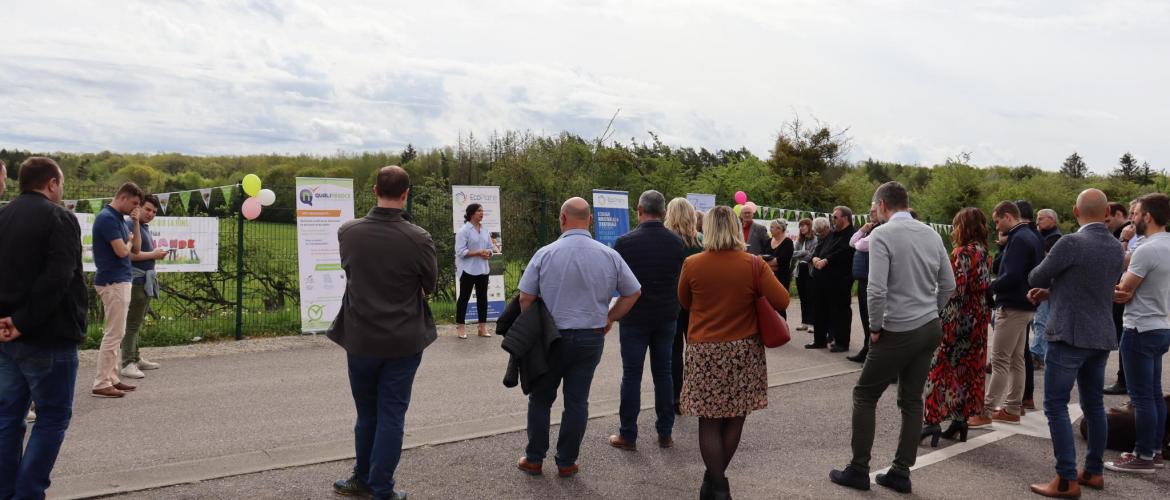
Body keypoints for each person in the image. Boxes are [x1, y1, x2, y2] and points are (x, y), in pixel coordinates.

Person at [829, 182, 955, 494]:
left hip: (898, 327)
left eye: (875, 209)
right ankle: (901, 471)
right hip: (929, 325)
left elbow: (875, 288)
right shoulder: (930, 233)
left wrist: (874, 327)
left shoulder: (882, 234)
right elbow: (948, 282)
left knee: (865, 395)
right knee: (911, 399)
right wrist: (932, 309)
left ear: (883, 205)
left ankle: (859, 468)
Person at [328, 166, 437, 500]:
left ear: (374, 189)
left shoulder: (348, 232)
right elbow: (429, 285)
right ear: (406, 193)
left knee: (367, 413)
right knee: (392, 414)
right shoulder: (419, 238)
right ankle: (382, 490)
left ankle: (361, 478)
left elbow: (352, 269)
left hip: (360, 338)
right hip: (403, 340)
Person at [516, 197, 641, 478]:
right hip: (590, 337)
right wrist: (610, 317)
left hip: (550, 339)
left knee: (540, 399)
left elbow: (526, 297)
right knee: (577, 401)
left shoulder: (545, 253)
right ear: (591, 220)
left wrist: (536, 326)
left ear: (562, 218)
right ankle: (567, 461)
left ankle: (534, 458)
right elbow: (633, 292)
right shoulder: (609, 255)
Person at [678, 206, 789, 500]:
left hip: (705, 352)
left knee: (709, 420)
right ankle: (717, 483)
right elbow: (782, 299)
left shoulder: (692, 263)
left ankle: (716, 484)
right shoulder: (754, 264)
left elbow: (684, 302)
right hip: (743, 351)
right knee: (736, 416)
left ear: (709, 230)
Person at [1025, 189, 1124, 498]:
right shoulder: (1115, 247)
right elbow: (1090, 286)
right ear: (1107, 210)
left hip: (1069, 334)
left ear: (1074, 211)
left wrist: (1045, 285)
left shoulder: (1070, 242)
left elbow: (1036, 275)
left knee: (1055, 404)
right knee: (1094, 405)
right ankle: (1094, 471)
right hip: (1101, 334)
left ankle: (1066, 478)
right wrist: (1053, 291)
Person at [0, 158, 88, 500]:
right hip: (48, 338)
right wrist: (23, 322)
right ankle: (28, 493)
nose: (61, 190)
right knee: (51, 418)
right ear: (51, 183)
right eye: (61, 184)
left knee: (7, 419)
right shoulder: (60, 218)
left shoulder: (3, 216)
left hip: (5, 337)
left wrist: (9, 322)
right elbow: (58, 278)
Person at [609, 190, 685, 451]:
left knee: (631, 375)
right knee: (663, 374)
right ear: (664, 214)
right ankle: (665, 432)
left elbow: (618, 284)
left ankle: (627, 435)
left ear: (638, 210)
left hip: (634, 317)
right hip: (666, 316)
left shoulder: (624, 243)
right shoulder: (677, 243)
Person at [1106, 192, 1170, 473]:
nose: (1132, 218)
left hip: (1140, 327)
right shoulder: (1166, 245)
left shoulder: (1147, 250)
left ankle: (1142, 455)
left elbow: (1123, 291)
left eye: (1136, 213)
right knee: (1154, 394)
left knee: (1142, 397)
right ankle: (1153, 450)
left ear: (1149, 216)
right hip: (1162, 325)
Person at [921, 208, 992, 445]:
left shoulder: (962, 252)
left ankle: (931, 421)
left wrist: (942, 321)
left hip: (958, 317)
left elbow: (955, 291)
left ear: (962, 227)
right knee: (968, 369)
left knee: (939, 368)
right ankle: (960, 420)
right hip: (978, 317)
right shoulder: (984, 251)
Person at [969, 201, 1043, 427]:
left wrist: (990, 287)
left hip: (1012, 305)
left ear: (1008, 216)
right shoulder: (1032, 236)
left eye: (998, 220)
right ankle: (1012, 407)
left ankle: (986, 411)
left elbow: (1011, 275)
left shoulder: (1018, 239)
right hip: (1026, 304)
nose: (997, 226)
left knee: (1000, 359)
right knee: (1017, 358)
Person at [91, 182, 145, 398]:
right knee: (113, 334)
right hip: (113, 281)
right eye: (134, 203)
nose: (135, 208)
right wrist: (130, 240)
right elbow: (123, 251)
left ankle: (112, 377)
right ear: (122, 197)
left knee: (118, 332)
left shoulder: (120, 219)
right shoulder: (107, 218)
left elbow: (137, 250)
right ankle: (101, 382)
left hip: (120, 279)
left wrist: (136, 224)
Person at [119, 195, 169, 379]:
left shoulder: (142, 227)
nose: (151, 214)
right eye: (147, 209)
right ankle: (127, 363)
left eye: (154, 212)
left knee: (137, 321)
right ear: (138, 208)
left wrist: (153, 255)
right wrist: (153, 255)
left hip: (144, 282)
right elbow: (129, 255)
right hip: (135, 282)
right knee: (131, 323)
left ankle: (135, 357)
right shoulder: (127, 225)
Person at [664, 198, 704, 415]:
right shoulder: (700, 242)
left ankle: (675, 398)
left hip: (671, 303)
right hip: (697, 303)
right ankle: (697, 395)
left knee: (673, 352)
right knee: (696, 349)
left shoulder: (665, 241)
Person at [809, 206, 856, 353]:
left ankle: (842, 343)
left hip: (840, 279)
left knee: (840, 311)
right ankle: (819, 340)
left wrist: (827, 260)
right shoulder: (832, 233)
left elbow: (845, 251)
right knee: (819, 309)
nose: (833, 220)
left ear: (845, 218)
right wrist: (815, 257)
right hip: (821, 278)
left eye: (835, 217)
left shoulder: (852, 235)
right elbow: (819, 246)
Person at [454, 203, 494, 339]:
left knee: (483, 298)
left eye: (482, 211)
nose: (482, 213)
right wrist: (477, 253)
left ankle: (482, 327)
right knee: (464, 298)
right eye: (479, 211)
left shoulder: (484, 230)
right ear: (471, 213)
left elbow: (490, 248)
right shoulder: (463, 231)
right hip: (468, 270)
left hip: (483, 269)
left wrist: (488, 253)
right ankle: (460, 326)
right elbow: (460, 252)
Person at [846, 205, 880, 363]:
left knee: (871, 317)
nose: (870, 214)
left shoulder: (881, 229)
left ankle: (871, 354)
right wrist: (862, 230)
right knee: (864, 315)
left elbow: (860, 245)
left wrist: (861, 237)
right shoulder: (870, 228)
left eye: (873, 211)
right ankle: (866, 349)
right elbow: (852, 241)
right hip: (863, 277)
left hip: (871, 278)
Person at [1029, 208, 1062, 370]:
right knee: (1040, 321)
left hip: (1047, 285)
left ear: (1052, 220)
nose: (1037, 221)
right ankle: (1039, 352)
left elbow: (1046, 261)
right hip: (1042, 284)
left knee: (1041, 320)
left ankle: (1037, 353)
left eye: (1041, 218)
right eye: (1037, 218)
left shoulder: (1055, 238)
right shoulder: (1044, 236)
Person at [1104, 201, 1131, 395]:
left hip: (1125, 292)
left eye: (1108, 219)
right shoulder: (1116, 234)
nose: (1105, 224)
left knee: (1124, 338)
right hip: (1119, 290)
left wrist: (1122, 240)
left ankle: (1124, 380)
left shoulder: (1128, 234)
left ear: (1119, 214)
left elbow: (1122, 264)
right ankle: (1124, 379)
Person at [763, 219, 795, 314]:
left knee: (779, 304)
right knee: (768, 304)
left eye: (772, 227)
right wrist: (772, 263)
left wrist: (767, 263)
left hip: (782, 277)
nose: (770, 229)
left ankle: (781, 327)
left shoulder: (788, 242)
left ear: (780, 229)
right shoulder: (768, 241)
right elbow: (761, 258)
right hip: (768, 277)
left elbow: (783, 261)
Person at [793, 218, 818, 332]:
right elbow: (793, 254)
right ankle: (804, 323)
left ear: (809, 227)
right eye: (800, 226)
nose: (802, 228)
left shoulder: (815, 240)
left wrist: (804, 255)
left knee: (811, 297)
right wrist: (803, 252)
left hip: (810, 271)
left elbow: (811, 256)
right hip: (800, 270)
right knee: (803, 297)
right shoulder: (799, 240)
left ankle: (813, 323)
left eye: (804, 225)